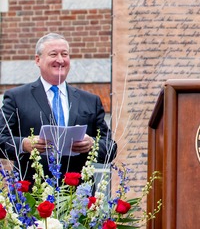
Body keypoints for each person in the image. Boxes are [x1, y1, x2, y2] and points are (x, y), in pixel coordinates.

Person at [0, 33, 117, 181]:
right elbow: (1, 139)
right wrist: (24, 144)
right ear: (38, 60)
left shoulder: (90, 100)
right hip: (32, 194)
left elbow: (110, 148)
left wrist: (92, 144)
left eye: (65, 54)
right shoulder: (17, 98)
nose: (60, 60)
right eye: (53, 54)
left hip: (78, 194)